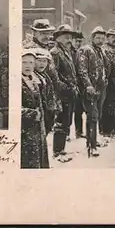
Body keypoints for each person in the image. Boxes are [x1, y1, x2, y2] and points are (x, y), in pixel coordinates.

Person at [76, 26, 109, 157]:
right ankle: (92, 146)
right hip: (90, 89)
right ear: (92, 38)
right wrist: (88, 85)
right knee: (93, 116)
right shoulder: (85, 50)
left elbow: (106, 67)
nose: (100, 40)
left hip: (101, 88)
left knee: (97, 115)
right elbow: (82, 70)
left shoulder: (101, 51)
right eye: (98, 38)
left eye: (102, 38)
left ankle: (92, 140)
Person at [50, 24, 78, 162]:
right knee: (61, 122)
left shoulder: (66, 52)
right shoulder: (55, 52)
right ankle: (57, 151)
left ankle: (61, 149)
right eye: (66, 36)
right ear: (58, 38)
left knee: (66, 121)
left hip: (69, 92)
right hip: (62, 93)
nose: (69, 39)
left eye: (70, 37)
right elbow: (54, 75)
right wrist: (65, 88)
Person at [21, 49, 49, 169]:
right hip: (24, 129)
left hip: (37, 129)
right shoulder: (17, 81)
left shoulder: (35, 81)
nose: (28, 66)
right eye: (24, 62)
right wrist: (32, 114)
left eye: (31, 63)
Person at [33, 48, 61, 137]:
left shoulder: (45, 76)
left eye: (44, 61)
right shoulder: (33, 77)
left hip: (48, 110)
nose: (42, 64)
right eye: (39, 61)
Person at [70, 31, 85, 140]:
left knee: (78, 110)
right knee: (68, 110)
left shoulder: (81, 52)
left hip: (79, 85)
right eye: (76, 41)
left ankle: (78, 132)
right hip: (69, 84)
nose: (78, 43)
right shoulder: (68, 52)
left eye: (80, 41)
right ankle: (65, 134)